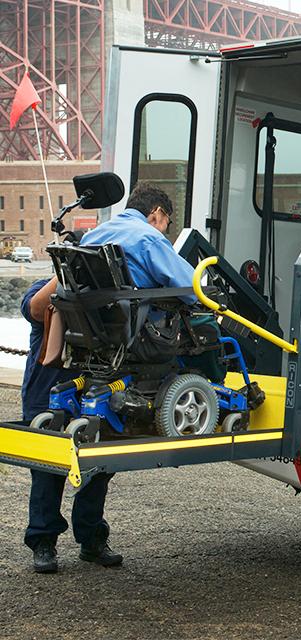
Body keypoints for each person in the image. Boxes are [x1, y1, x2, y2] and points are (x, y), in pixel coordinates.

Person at [24, 183, 194, 573]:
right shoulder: (140, 242)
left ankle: (90, 538)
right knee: (52, 464)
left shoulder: (98, 244)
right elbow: (189, 287)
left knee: (98, 462)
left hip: (94, 372)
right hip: (52, 380)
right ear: (157, 215)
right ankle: (43, 541)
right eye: (165, 224)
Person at [23, 278, 122, 573]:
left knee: (98, 471)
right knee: (46, 474)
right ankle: (43, 541)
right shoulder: (42, 288)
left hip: (93, 400)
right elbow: (34, 309)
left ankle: (91, 539)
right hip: (46, 397)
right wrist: (62, 276)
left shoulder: (105, 297)